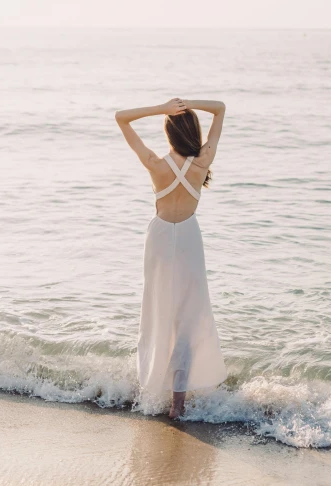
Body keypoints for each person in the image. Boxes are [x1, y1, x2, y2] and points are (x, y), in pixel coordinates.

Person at [115, 98, 227, 419]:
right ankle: (178, 402)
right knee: (189, 317)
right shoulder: (202, 162)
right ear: (192, 132)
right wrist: (188, 104)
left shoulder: (156, 164)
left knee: (157, 309)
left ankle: (150, 386)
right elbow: (219, 108)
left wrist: (161, 108)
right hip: (189, 238)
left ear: (169, 134)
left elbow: (121, 118)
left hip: (161, 239)